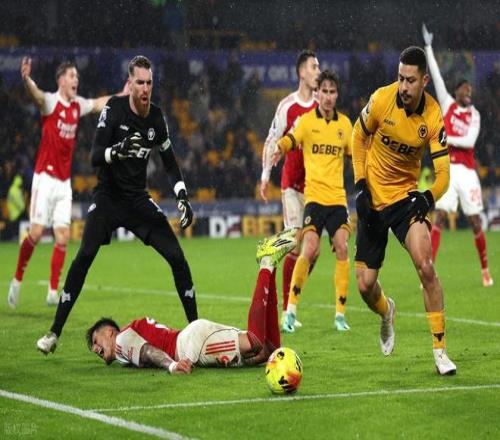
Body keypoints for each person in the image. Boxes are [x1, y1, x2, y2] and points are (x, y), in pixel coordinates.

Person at [36, 55, 198, 355]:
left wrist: (182, 196)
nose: (145, 88)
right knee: (84, 255)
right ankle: (54, 332)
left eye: (149, 83)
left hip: (137, 200)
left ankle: (196, 331)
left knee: (178, 257)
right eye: (140, 82)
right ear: (130, 83)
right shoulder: (114, 109)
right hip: (107, 198)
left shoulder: (156, 117)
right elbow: (95, 156)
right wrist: (118, 150)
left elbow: (170, 162)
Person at [351, 46, 456, 375]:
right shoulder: (382, 99)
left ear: (424, 81)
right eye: (400, 78)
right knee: (365, 285)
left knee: (426, 266)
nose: (404, 87)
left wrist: (428, 197)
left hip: (404, 200)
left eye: (410, 80)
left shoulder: (433, 116)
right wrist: (360, 184)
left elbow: (444, 175)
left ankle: (440, 351)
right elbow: (357, 136)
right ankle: (387, 312)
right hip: (373, 198)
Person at [86, 229, 298, 372]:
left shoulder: (121, 341)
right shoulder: (125, 350)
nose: (95, 349)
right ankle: (272, 267)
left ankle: (266, 262)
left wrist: (172, 365)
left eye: (96, 341)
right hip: (192, 338)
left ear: (109, 332)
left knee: (254, 341)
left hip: (190, 345)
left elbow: (148, 352)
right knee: (269, 351)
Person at [7, 57, 122, 308]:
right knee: (36, 232)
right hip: (45, 178)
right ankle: (16, 281)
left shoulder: (77, 105)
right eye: (72, 76)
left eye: (77, 76)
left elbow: (98, 104)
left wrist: (122, 96)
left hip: (63, 183)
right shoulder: (51, 102)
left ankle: (52, 291)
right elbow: (37, 95)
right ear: (61, 80)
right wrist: (26, 79)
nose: (76, 80)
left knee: (62, 236)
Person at [273, 70, 353, 333]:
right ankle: (290, 311)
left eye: (332, 92)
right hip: (315, 198)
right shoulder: (307, 122)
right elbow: (292, 138)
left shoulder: (345, 125)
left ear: (337, 94)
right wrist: (280, 147)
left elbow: (357, 153)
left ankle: (340, 315)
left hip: (337, 199)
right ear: (317, 93)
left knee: (342, 247)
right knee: (309, 248)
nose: (328, 97)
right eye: (324, 91)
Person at [422, 24, 493, 287]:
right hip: (448, 170)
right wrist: (428, 47)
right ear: (457, 92)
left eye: (470, 89)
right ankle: (428, 272)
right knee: (439, 216)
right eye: (465, 89)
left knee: (475, 221)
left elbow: (469, 141)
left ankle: (485, 270)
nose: (469, 91)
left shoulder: (474, 115)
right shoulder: (448, 105)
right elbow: (437, 78)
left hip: (467, 172)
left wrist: (444, 137)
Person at [260, 49, 319, 329]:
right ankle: (288, 311)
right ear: (302, 73)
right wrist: (265, 175)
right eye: (314, 67)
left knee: (313, 252)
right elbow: (272, 140)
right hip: (292, 185)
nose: (318, 71)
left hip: (316, 188)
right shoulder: (287, 106)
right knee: (296, 239)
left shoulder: (322, 106)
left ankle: (271, 247)